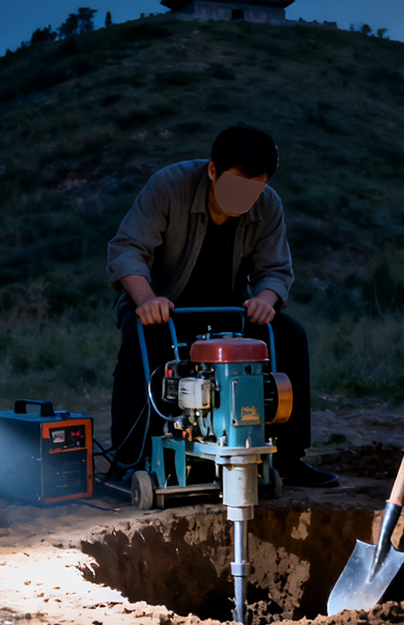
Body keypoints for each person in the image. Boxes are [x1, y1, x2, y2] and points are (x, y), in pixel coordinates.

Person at [105, 124, 337, 487]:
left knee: (290, 336)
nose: (246, 197)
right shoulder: (168, 186)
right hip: (165, 309)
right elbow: (127, 249)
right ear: (212, 171)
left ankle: (288, 456)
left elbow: (275, 270)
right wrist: (147, 300)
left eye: (255, 187)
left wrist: (264, 299)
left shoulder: (269, 204)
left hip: (228, 311)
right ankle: (128, 459)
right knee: (140, 340)